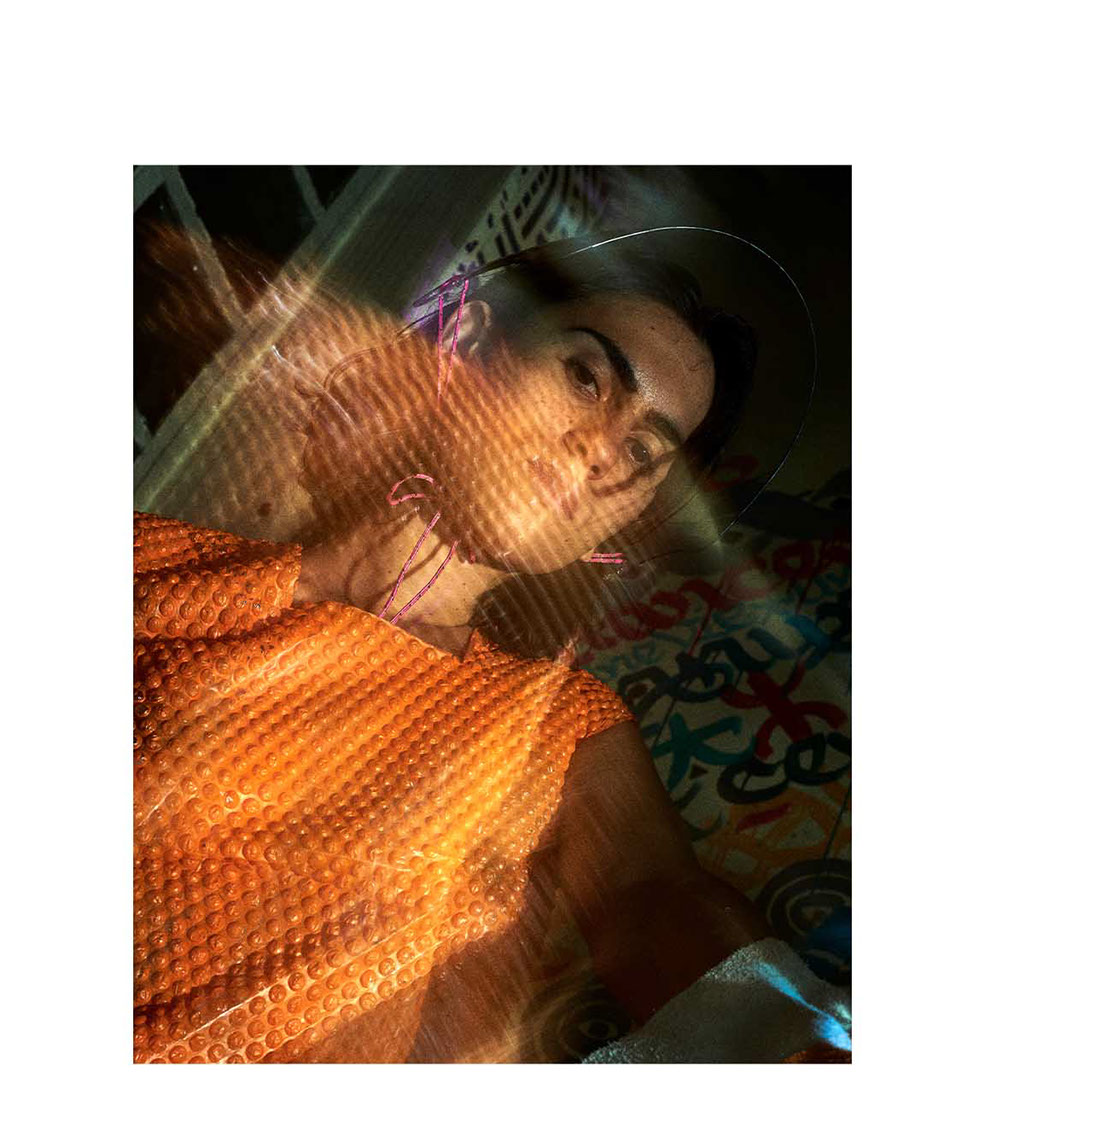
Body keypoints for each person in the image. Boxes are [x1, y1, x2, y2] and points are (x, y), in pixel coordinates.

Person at [133, 232, 846, 1062]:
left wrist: (800, 1040)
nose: (602, 450)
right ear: (468, 344)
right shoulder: (160, 566)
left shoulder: (555, 728)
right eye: (586, 377)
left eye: (645, 451)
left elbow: (652, 898)